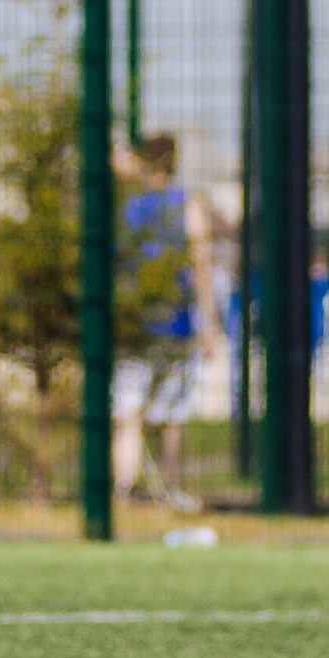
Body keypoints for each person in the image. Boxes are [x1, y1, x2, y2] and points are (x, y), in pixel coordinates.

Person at [113, 134, 210, 511]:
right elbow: (201, 263)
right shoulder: (188, 203)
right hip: (176, 320)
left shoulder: (127, 208)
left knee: (127, 412)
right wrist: (210, 323)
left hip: (135, 321)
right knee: (172, 412)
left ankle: (124, 489)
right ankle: (168, 489)